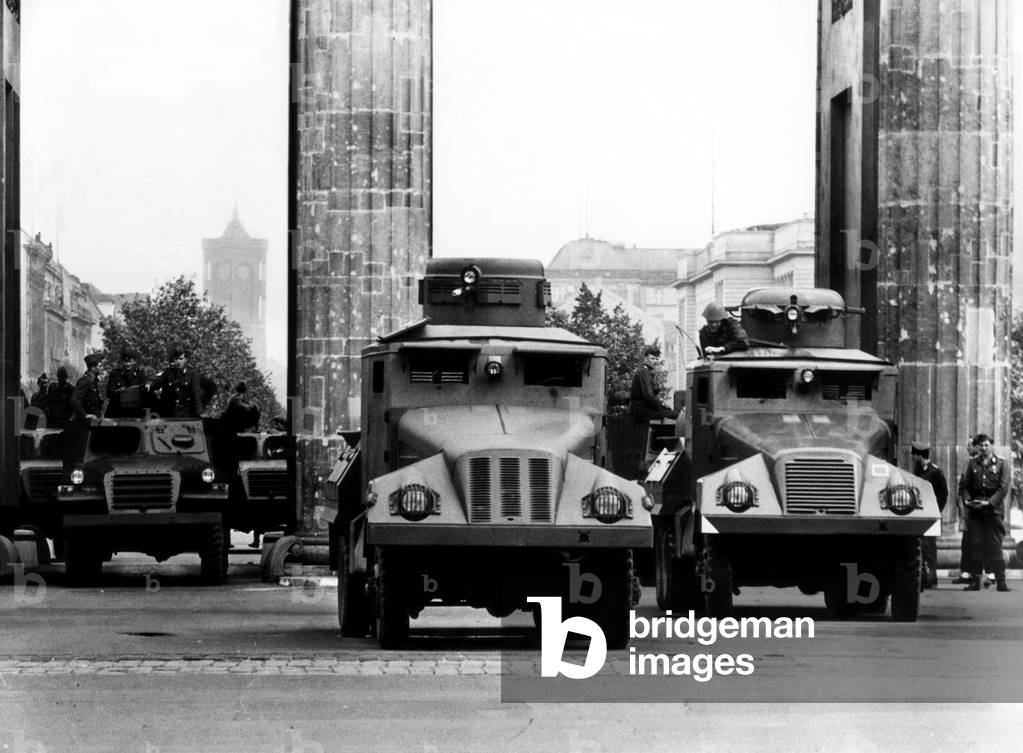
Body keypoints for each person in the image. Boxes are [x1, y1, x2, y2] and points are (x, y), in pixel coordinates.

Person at [958, 433, 1011, 592]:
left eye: (987, 445)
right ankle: (975, 582)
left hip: (993, 511)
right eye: (981, 445)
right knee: (976, 545)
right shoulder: (972, 464)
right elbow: (965, 486)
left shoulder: (1002, 464)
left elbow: (1003, 488)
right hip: (976, 510)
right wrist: (968, 501)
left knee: (995, 545)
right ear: (977, 447)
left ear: (992, 446)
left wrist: (989, 503)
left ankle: (1001, 582)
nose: (984, 448)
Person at [910, 441, 948, 590]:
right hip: (920, 515)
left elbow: (944, 495)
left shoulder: (936, 472)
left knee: (929, 548)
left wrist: (935, 511)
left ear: (920, 456)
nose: (913, 458)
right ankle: (923, 578)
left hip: (931, 516)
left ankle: (931, 577)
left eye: (914, 455)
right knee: (921, 546)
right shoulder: (918, 471)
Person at [64, 353, 105, 479]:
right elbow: (74, 400)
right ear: (93, 367)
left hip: (91, 426)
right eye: (100, 365)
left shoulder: (93, 382)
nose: (102, 368)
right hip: (83, 426)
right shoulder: (85, 381)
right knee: (81, 456)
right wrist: (86, 415)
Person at [150, 347, 205, 418]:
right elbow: (156, 383)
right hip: (170, 412)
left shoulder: (192, 374)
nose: (178, 362)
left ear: (185, 359)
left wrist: (199, 411)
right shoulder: (168, 372)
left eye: (181, 359)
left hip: (186, 412)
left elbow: (196, 395)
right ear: (173, 360)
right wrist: (149, 383)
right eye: (176, 359)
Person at [105, 347, 148, 418]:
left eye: (130, 361)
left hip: (135, 413)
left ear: (134, 362)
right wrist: (119, 391)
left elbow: (145, 389)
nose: (128, 364)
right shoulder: (115, 374)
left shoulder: (140, 374)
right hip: (117, 413)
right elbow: (109, 393)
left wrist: (137, 388)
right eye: (125, 361)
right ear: (122, 362)